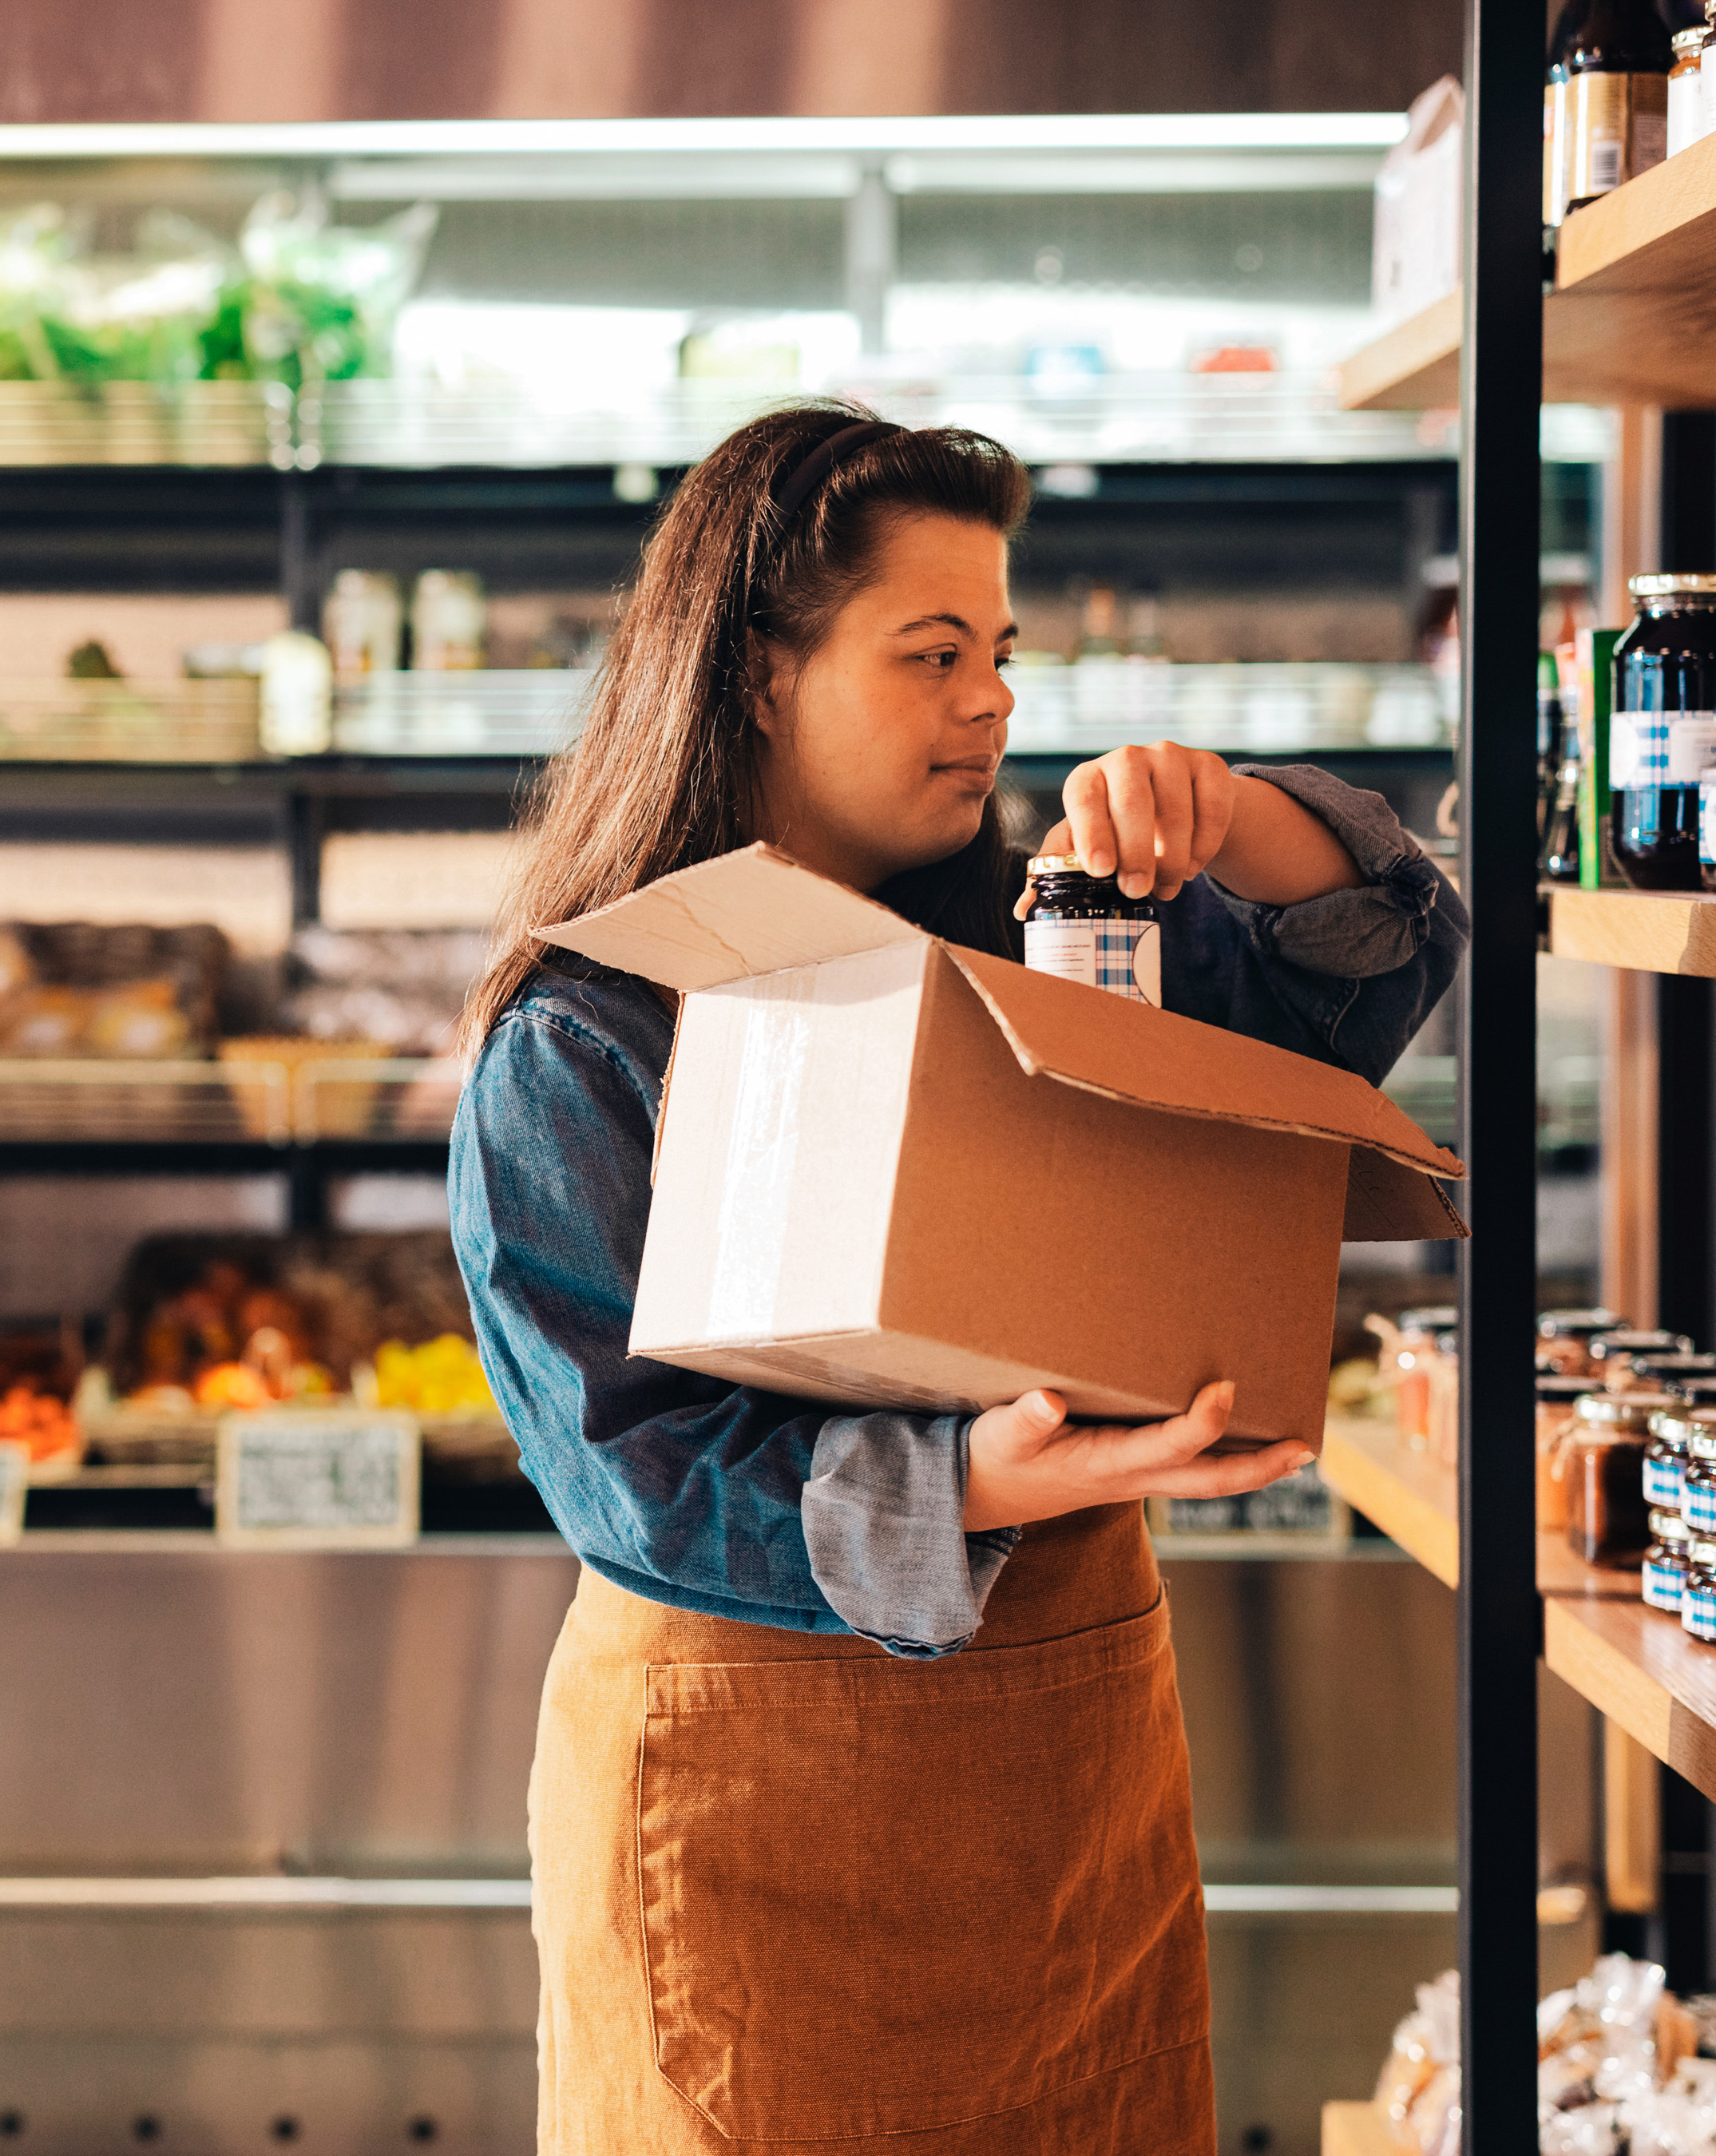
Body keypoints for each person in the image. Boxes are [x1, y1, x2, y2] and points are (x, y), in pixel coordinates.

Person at [450, 402, 1468, 2154]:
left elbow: (1369, 965)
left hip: (1066, 1788)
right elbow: (633, 1473)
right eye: (932, 655)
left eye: (999, 650)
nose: (993, 700)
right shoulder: (593, 1031)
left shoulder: (1055, 940)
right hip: (743, 1790)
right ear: (758, 672)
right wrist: (970, 1483)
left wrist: (1234, 818)